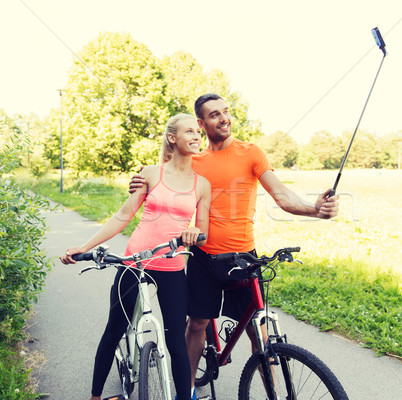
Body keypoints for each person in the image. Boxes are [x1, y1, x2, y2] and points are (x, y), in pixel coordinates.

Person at [129, 93, 339, 395]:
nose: (224, 118)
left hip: (243, 258)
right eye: (214, 114)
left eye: (226, 112)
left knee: (258, 331)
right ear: (201, 124)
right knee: (198, 325)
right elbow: (163, 179)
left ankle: (274, 395)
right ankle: (185, 391)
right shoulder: (194, 160)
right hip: (203, 258)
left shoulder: (250, 153)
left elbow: (281, 195)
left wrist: (315, 209)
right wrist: (138, 183)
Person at [61, 113, 211, 400]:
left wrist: (194, 231)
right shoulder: (151, 173)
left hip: (173, 266)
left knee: (177, 346)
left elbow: (202, 231)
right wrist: (85, 246)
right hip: (135, 263)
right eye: (189, 131)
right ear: (172, 138)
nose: (196, 136)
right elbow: (123, 215)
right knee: (114, 329)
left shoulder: (202, 184)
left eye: (198, 132)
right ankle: (95, 397)